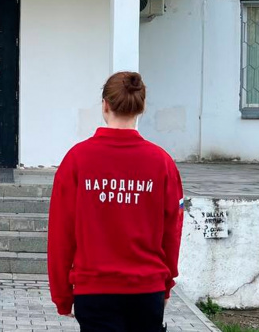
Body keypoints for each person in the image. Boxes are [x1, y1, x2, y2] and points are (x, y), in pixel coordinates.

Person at [47, 71, 184, 332]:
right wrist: (165, 286)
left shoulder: (77, 160)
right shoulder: (162, 163)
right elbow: (172, 232)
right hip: (147, 291)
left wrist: (63, 296)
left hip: (94, 292)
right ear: (141, 107)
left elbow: (60, 235)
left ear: (104, 105)